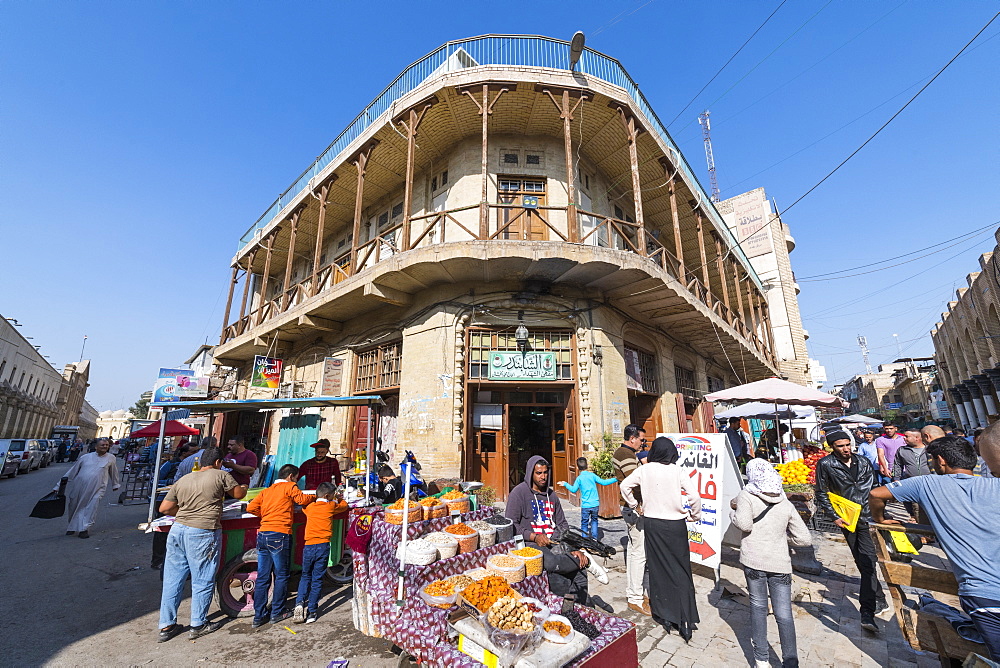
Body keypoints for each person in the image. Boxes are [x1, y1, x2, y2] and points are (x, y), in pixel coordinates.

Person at [870, 436, 1000, 660]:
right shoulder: (993, 485)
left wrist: (881, 518)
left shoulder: (926, 483)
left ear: (940, 461)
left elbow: (875, 494)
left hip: (984, 595)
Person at [156, 446, 247, 642]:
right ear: (217, 462)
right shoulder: (220, 474)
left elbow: (164, 508)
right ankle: (198, 624)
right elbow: (238, 494)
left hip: (178, 531)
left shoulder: (185, 478)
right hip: (203, 531)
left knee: (173, 579)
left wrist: (184, 513)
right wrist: (244, 487)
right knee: (203, 579)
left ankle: (166, 625)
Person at [730, 459, 812, 668]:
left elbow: (745, 524)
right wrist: (782, 540)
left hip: (754, 560)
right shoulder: (785, 502)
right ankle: (791, 661)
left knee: (758, 607)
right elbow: (804, 539)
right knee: (784, 613)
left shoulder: (746, 496)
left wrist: (732, 514)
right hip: (780, 563)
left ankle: (761, 659)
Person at [619, 437, 701, 641]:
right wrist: (694, 515)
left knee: (658, 569)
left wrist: (634, 505)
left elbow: (624, 486)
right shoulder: (677, 470)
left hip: (653, 524)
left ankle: (666, 614)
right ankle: (686, 618)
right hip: (676, 525)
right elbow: (695, 497)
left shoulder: (645, 469)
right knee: (681, 569)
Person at [814, 431, 889, 633]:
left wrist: (881, 514)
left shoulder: (863, 462)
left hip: (868, 516)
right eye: (840, 446)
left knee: (868, 561)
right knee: (862, 561)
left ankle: (868, 611)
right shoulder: (826, 464)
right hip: (848, 519)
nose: (846, 449)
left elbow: (875, 488)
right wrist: (833, 516)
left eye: (848, 444)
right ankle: (879, 597)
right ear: (832, 447)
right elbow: (821, 493)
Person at [505, 456, 606, 604]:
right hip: (531, 544)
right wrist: (534, 537)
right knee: (551, 562)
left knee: (580, 567)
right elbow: (511, 524)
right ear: (530, 473)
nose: (543, 477)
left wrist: (571, 547)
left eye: (545, 472)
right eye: (539, 473)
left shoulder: (551, 495)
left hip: (555, 542)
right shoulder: (519, 493)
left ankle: (582, 609)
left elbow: (562, 524)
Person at [247, 463, 314, 628]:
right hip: (280, 534)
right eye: (297, 478)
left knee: (263, 577)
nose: (297, 481)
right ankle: (277, 612)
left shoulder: (267, 490)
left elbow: (251, 507)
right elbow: (302, 499)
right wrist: (315, 497)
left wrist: (267, 513)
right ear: (291, 476)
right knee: (281, 575)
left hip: (263, 535)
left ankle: (259, 616)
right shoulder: (290, 486)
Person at [293, 482, 348, 624]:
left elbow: (305, 505)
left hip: (309, 545)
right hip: (323, 546)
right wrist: (338, 498)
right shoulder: (330, 506)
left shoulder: (310, 507)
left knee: (305, 576)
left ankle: (299, 604)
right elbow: (344, 505)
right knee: (317, 579)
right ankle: (312, 612)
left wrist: (313, 497)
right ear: (328, 496)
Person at [613, 424, 649, 616]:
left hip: (631, 507)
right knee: (638, 553)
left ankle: (635, 592)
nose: (643, 444)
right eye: (642, 440)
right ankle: (635, 596)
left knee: (636, 551)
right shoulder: (625, 455)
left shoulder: (625, 453)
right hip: (632, 508)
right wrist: (637, 505)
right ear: (632, 438)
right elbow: (633, 481)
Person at [57, 438, 121, 539]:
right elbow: (72, 471)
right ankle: (72, 526)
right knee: (74, 506)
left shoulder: (111, 458)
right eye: (102, 445)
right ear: (96, 447)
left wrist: (115, 484)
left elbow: (113, 471)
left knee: (91, 507)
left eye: (106, 445)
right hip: (79, 487)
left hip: (98, 488)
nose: (105, 447)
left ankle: (84, 529)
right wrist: (58, 486)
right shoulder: (85, 457)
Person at [557, 457, 616, 539]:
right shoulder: (592, 475)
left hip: (585, 505)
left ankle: (584, 539)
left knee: (584, 523)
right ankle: (595, 539)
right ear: (587, 465)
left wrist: (565, 484)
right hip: (595, 504)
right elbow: (604, 482)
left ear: (577, 467)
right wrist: (616, 479)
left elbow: (573, 490)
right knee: (594, 521)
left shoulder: (579, 478)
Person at [893, 429, 931, 523]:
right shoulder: (902, 450)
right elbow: (897, 465)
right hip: (913, 483)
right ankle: (922, 530)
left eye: (907, 436)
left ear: (917, 438)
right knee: (917, 507)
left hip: (930, 482)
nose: (904, 438)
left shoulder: (929, 449)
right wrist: (896, 478)